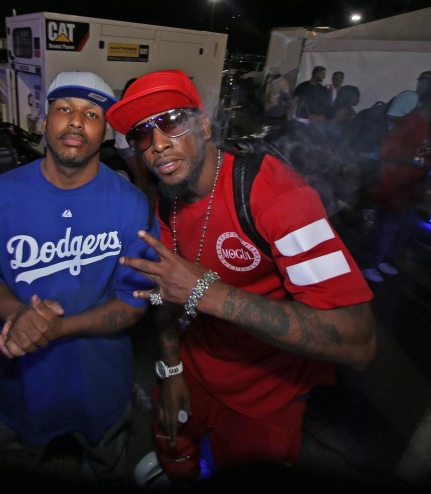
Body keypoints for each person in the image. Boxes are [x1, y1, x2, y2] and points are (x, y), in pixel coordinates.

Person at [106, 69, 376, 484]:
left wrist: (207, 293)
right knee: (173, 449)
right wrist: (172, 370)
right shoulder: (167, 199)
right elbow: (168, 292)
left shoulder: (273, 194)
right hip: (193, 369)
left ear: (204, 126)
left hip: (264, 395)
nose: (157, 143)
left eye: (172, 121)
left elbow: (357, 339)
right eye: (142, 133)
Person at [0, 71, 159, 486]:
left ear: (105, 133)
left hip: (100, 384)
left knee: (107, 468)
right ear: (44, 122)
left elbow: (133, 304)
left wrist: (60, 327)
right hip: (21, 384)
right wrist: (19, 315)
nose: (76, 121)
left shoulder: (131, 205)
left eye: (92, 114)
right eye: (64, 109)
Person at [362, 80, 431, 283]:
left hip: (412, 185)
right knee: (387, 227)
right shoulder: (410, 122)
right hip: (394, 184)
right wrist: (421, 161)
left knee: (404, 227)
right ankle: (370, 264)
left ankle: (383, 260)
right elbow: (385, 153)